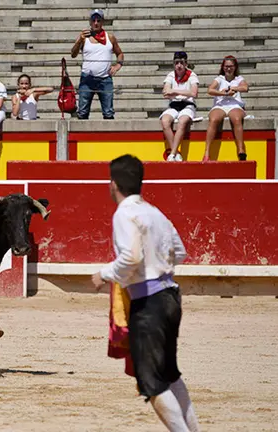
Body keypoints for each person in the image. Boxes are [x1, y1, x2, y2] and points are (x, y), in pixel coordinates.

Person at [92, 154, 200, 432]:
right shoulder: (155, 212)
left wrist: (104, 274)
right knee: (169, 374)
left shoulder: (125, 213)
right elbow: (181, 252)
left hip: (149, 303)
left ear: (113, 184)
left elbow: (130, 257)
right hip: (170, 296)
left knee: (151, 383)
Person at [70, 9, 124, 120]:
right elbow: (73, 54)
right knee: (82, 112)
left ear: (102, 22)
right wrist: (79, 40)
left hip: (105, 78)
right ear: (90, 22)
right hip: (87, 78)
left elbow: (120, 53)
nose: (96, 23)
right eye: (93, 20)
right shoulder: (84, 37)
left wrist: (118, 65)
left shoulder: (110, 37)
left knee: (108, 112)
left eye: (98, 20)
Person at [203, 55, 249, 162]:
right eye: (226, 66)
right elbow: (210, 90)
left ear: (235, 67)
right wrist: (223, 93)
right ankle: (206, 152)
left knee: (236, 119)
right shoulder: (219, 79)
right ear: (223, 67)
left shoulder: (239, 79)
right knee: (214, 119)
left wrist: (233, 88)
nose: (229, 68)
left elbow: (245, 87)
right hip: (220, 105)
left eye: (231, 66)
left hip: (235, 105)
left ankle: (241, 150)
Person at [160, 52, 199, 162]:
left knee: (182, 122)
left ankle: (172, 154)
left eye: (181, 63)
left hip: (187, 105)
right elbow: (166, 92)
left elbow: (194, 93)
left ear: (186, 63)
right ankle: (176, 152)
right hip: (174, 105)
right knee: (165, 121)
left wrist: (174, 91)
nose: (179, 66)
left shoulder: (192, 75)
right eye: (176, 63)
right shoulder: (171, 75)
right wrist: (180, 92)